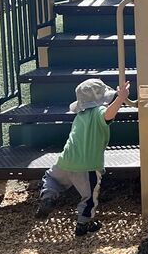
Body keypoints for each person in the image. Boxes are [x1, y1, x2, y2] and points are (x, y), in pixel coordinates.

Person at [37, 77, 130, 236]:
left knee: (51, 178)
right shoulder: (98, 112)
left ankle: (48, 197)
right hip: (87, 166)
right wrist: (120, 99)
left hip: (65, 161)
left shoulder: (79, 116)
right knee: (89, 197)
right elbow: (108, 114)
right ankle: (83, 225)